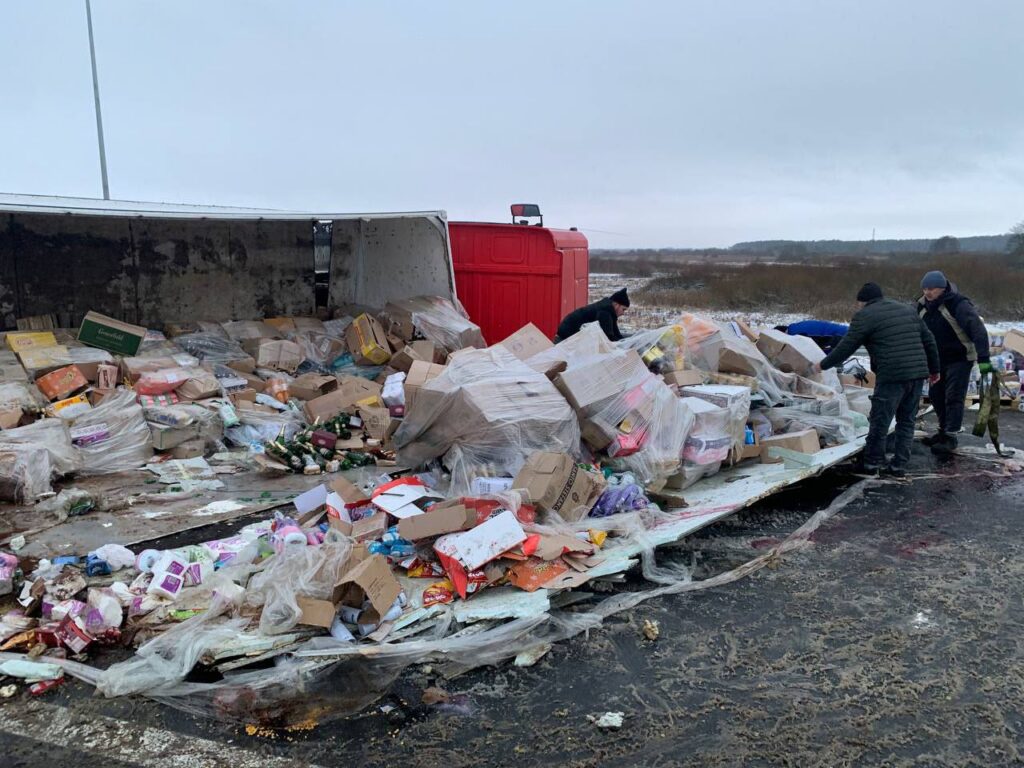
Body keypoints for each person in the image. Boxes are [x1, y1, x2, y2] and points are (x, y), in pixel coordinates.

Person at [815, 282, 939, 477]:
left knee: (880, 420)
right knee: (906, 422)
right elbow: (929, 340)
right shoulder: (907, 310)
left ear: (863, 302)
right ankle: (899, 465)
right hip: (917, 374)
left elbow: (846, 346)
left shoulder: (865, 316)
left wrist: (822, 365)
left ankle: (872, 463)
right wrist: (935, 370)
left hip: (891, 375)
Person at [917, 270, 991, 455]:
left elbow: (978, 330)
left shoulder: (957, 304)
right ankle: (942, 431)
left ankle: (951, 435)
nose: (928, 292)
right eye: (925, 289)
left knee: (953, 396)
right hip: (936, 359)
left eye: (932, 289)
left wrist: (984, 359)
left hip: (960, 357)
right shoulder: (921, 307)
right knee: (936, 396)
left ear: (942, 288)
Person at [554, 288, 629, 342]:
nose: (623, 313)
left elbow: (616, 333)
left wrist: (625, 341)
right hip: (566, 334)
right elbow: (609, 337)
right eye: (623, 309)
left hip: (570, 331)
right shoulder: (605, 312)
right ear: (616, 305)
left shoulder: (610, 311)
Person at [775, 320, 849, 354]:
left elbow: (814, 349)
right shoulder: (795, 326)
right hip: (839, 331)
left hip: (838, 335)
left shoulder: (795, 334)